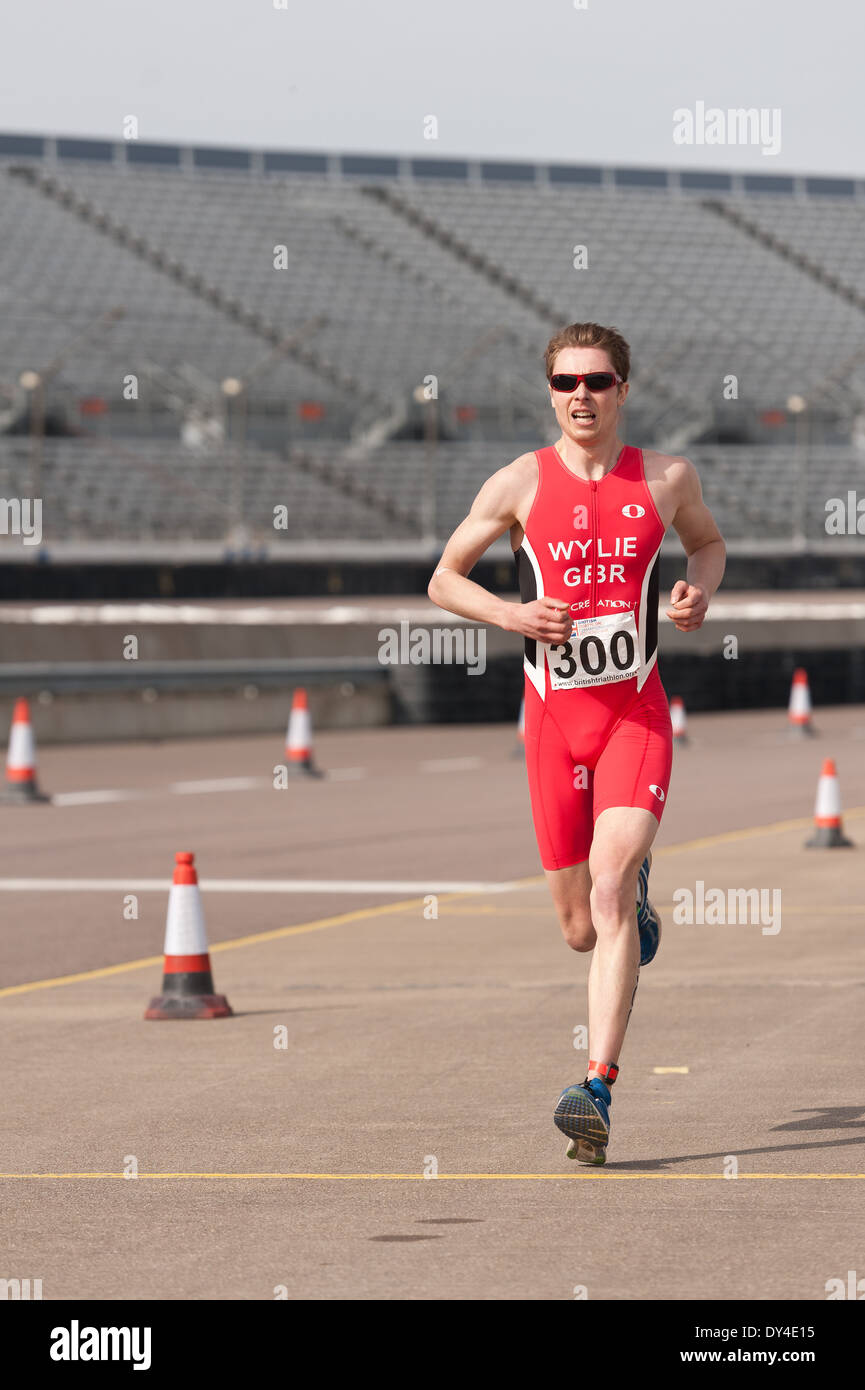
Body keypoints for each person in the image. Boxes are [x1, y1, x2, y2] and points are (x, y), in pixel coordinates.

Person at [427, 322, 726, 1163]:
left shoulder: (666, 479)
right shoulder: (519, 482)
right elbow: (443, 577)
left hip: (634, 715)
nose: (580, 396)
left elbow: (708, 545)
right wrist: (510, 612)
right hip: (552, 725)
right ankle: (629, 907)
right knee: (578, 928)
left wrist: (695, 594)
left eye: (596, 381)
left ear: (623, 388)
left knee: (609, 878)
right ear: (549, 391)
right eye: (565, 383)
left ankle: (594, 1087)